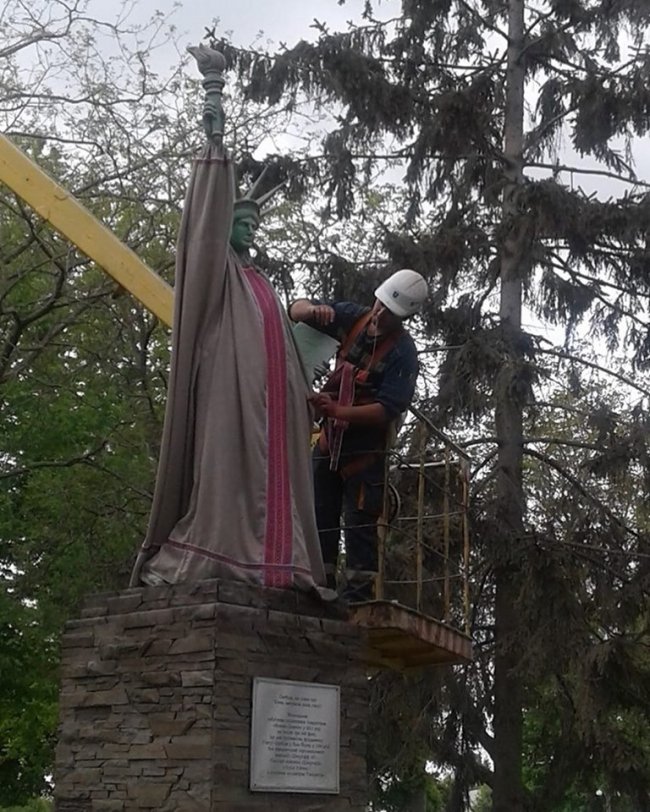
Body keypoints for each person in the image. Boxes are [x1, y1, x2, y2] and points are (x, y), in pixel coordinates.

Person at [130, 47, 328, 593]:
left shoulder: (259, 280)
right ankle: (218, 549)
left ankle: (276, 562)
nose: (251, 229)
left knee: (271, 481)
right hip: (227, 398)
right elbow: (207, 211)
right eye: (243, 221)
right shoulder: (214, 268)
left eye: (255, 223)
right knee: (225, 475)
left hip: (272, 412)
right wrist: (214, 109)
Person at [289, 269, 428, 601]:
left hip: (365, 454)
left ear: (403, 317)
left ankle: (357, 599)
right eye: (380, 305)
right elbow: (294, 309)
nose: (380, 314)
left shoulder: (403, 354)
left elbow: (386, 409)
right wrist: (311, 310)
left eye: (390, 313)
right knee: (319, 517)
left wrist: (337, 411)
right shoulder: (354, 318)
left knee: (359, 527)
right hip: (330, 443)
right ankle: (318, 587)